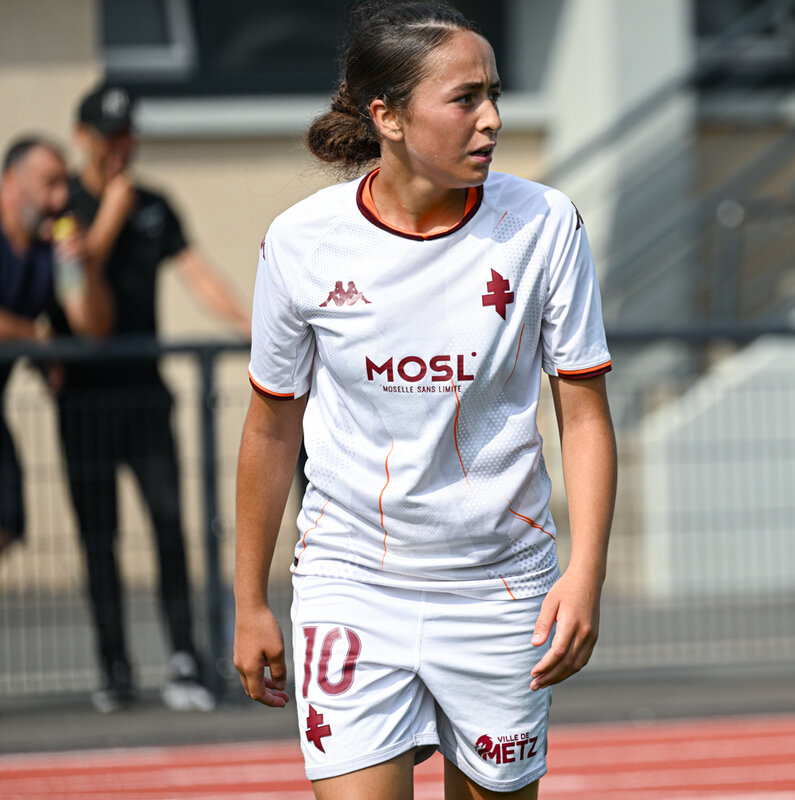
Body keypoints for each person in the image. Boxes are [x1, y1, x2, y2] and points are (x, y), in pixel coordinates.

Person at [233, 2, 617, 798]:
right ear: (388, 116)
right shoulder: (301, 242)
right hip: (350, 583)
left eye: (494, 95)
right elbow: (270, 432)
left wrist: (585, 573)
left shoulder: (544, 224)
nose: (492, 119)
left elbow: (583, 415)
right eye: (465, 98)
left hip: (500, 589)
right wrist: (249, 600)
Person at [51, 84, 251, 714]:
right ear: (83, 138)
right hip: (82, 401)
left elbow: (199, 275)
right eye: (109, 136)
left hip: (146, 395)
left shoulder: (155, 204)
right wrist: (108, 218)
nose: (121, 147)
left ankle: (185, 657)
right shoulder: (65, 207)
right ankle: (114, 667)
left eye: (128, 135)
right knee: (98, 536)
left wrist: (253, 332)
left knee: (168, 525)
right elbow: (78, 298)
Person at [0, 136, 111, 558]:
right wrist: (36, 337)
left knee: (7, 519)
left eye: (65, 183)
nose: (61, 197)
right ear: (12, 182)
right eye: (50, 183)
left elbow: (91, 328)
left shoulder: (51, 245)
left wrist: (82, 263)